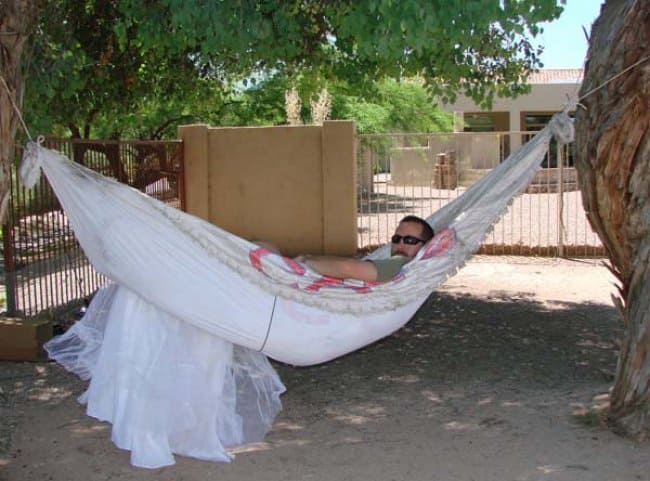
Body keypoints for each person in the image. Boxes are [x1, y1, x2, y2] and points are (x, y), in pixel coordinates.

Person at [294, 215, 434, 282]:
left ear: (425, 246)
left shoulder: (399, 262)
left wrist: (303, 262)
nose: (400, 245)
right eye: (396, 239)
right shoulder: (408, 269)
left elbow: (347, 268)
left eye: (410, 240)